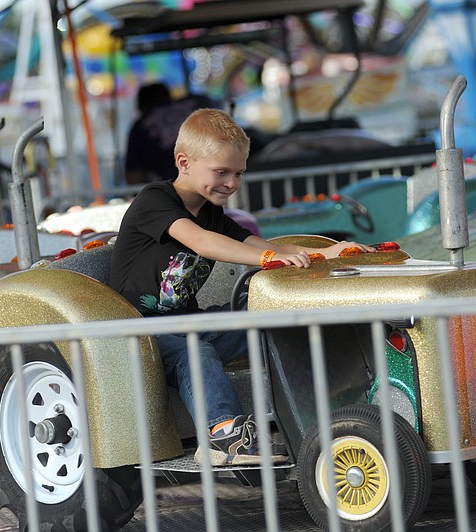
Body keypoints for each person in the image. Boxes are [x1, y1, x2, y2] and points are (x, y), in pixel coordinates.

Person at [110, 109, 374, 466]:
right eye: (222, 172)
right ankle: (223, 437)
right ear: (184, 162)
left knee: (263, 311)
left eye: (239, 173)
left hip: (191, 325)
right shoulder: (155, 200)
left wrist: (326, 252)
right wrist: (265, 258)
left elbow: (258, 243)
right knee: (195, 351)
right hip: (140, 331)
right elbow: (202, 242)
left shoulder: (211, 211)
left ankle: (338, 409)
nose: (232, 183)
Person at [124, 82, 220, 185]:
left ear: (141, 105)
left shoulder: (140, 128)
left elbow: (133, 178)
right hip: (221, 174)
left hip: (181, 188)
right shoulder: (199, 101)